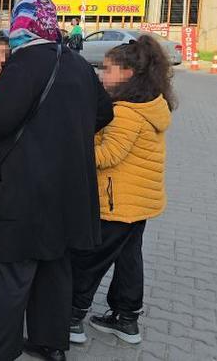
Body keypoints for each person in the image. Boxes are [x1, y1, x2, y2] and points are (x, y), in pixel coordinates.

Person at [0, 0, 113, 361]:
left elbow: (0, 121)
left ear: (23, 23)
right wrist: (66, 134)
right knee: (55, 269)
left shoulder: (23, 64)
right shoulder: (77, 63)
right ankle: (50, 345)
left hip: (25, 192)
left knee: (12, 275)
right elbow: (104, 114)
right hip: (69, 190)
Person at [69, 35, 174, 346]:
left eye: (108, 69)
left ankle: (71, 317)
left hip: (117, 204)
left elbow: (107, 156)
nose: (103, 75)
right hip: (140, 202)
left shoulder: (126, 112)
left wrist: (75, 144)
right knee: (129, 260)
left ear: (128, 74)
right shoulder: (151, 105)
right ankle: (126, 319)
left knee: (89, 259)